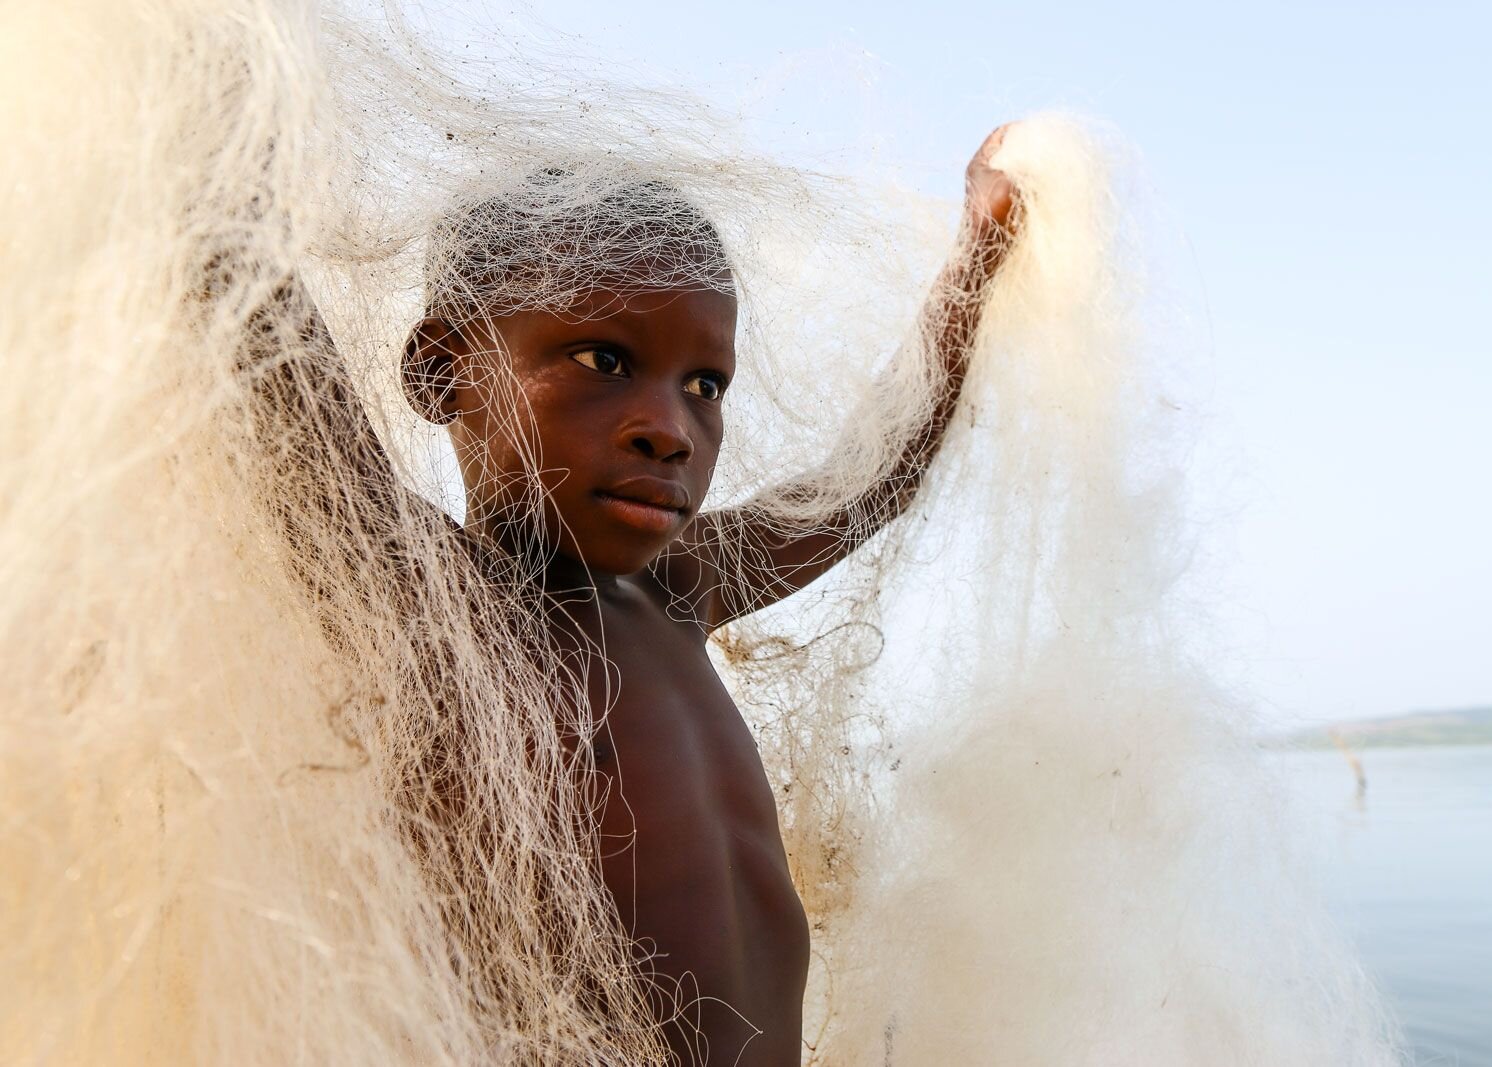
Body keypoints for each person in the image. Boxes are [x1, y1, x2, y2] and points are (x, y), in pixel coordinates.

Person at [269, 126, 1018, 1066]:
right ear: (441, 371)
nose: (669, 430)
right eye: (602, 361)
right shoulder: (439, 601)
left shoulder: (675, 589)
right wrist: (208, 136)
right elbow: (274, 373)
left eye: (705, 383)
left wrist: (977, 258)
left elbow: (870, 477)